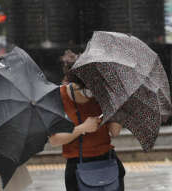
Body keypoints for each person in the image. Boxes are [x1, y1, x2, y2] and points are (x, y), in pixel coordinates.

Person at [49, 50, 125, 191]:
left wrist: (118, 106)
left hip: (107, 162)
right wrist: (82, 128)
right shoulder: (59, 97)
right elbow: (54, 140)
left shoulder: (102, 93)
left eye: (92, 87)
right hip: (77, 167)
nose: (89, 92)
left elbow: (114, 132)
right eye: (84, 88)